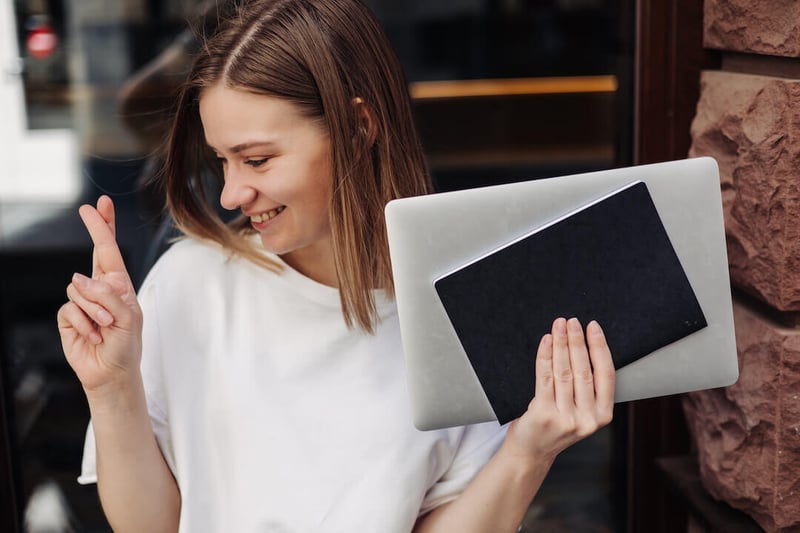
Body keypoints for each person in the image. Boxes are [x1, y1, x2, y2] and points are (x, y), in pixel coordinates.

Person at [56, 0, 616, 531]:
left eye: (256, 159)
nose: (230, 193)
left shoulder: (456, 313)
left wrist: (529, 451)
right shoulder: (190, 285)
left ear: (358, 127)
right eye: (221, 160)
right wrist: (113, 387)